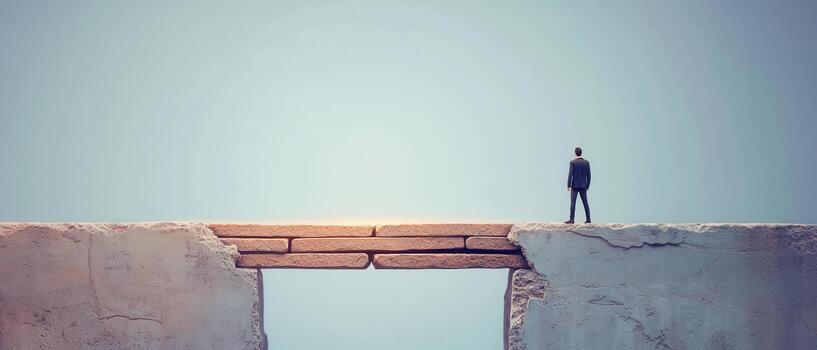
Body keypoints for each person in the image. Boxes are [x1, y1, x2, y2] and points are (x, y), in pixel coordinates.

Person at [565, 146, 591, 224]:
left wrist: (568, 185)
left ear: (575, 153)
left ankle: (572, 219)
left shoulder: (572, 162)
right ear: (581, 152)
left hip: (575, 186)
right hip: (583, 185)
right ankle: (588, 219)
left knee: (573, 202)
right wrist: (587, 185)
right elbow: (589, 175)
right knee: (585, 202)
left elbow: (570, 174)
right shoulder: (586, 162)